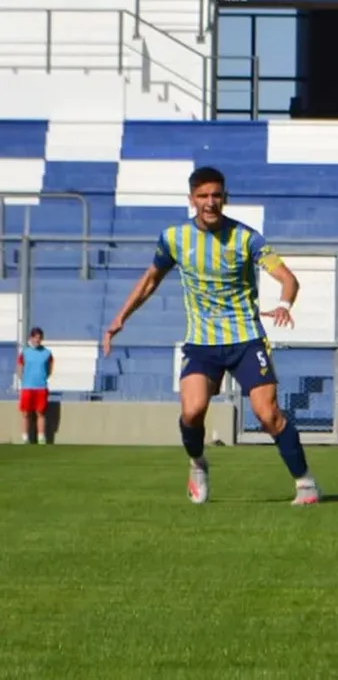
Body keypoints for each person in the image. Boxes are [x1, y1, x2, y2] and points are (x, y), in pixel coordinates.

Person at [103, 166, 321, 506]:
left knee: (268, 414)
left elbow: (288, 278)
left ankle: (305, 484)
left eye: (216, 195)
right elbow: (150, 280)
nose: (210, 202)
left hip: (246, 339)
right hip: (202, 343)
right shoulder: (174, 238)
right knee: (192, 412)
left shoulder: (247, 238)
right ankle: (198, 464)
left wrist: (283, 304)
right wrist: (120, 317)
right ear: (191, 200)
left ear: (225, 198)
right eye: (203, 196)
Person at [17, 327, 53, 444]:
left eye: (39, 338)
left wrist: (42, 378)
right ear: (31, 338)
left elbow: (49, 369)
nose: (37, 340)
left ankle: (41, 438)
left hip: (41, 387)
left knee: (40, 413)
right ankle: (25, 438)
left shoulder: (47, 353)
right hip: (27, 387)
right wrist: (25, 380)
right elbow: (19, 368)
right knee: (26, 413)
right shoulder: (25, 353)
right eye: (35, 337)